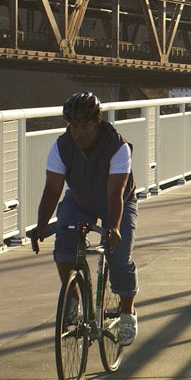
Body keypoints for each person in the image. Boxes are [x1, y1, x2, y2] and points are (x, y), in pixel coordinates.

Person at [30, 90, 140, 345]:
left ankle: (127, 313)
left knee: (119, 256)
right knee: (64, 244)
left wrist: (113, 228)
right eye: (74, 126)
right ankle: (72, 298)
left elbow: (116, 193)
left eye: (84, 126)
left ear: (97, 122)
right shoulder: (61, 146)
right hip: (80, 199)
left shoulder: (117, 147)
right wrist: (41, 226)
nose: (79, 133)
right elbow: (52, 190)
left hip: (118, 201)